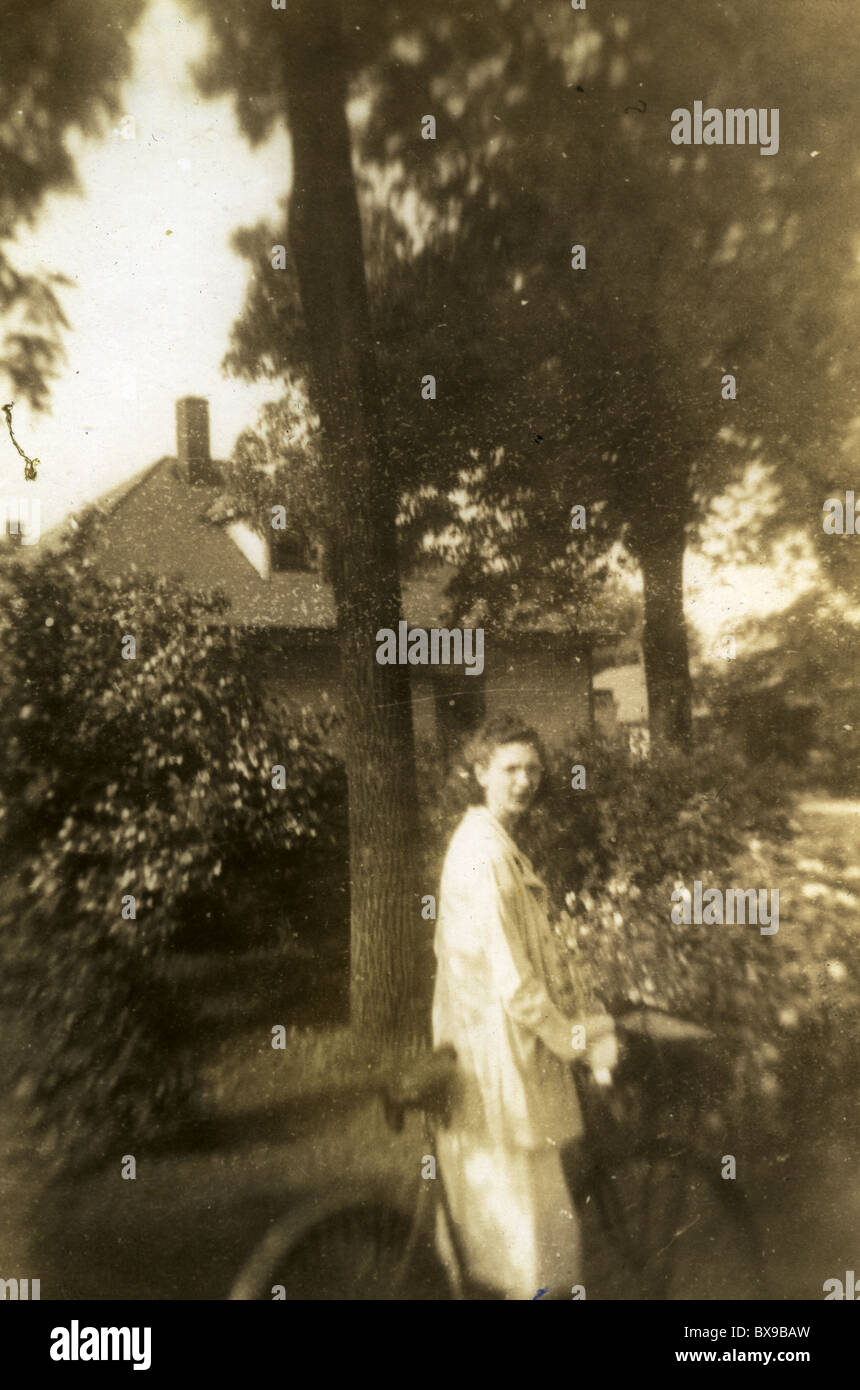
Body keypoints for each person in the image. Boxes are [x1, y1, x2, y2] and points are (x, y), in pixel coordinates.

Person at [431, 713, 615, 1299]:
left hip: (488, 1052)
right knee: (537, 1247)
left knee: (496, 1230)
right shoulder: (486, 858)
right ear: (481, 771)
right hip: (498, 1062)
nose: (524, 781)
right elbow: (516, 986)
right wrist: (580, 1041)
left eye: (533, 769)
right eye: (510, 768)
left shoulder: (493, 845)